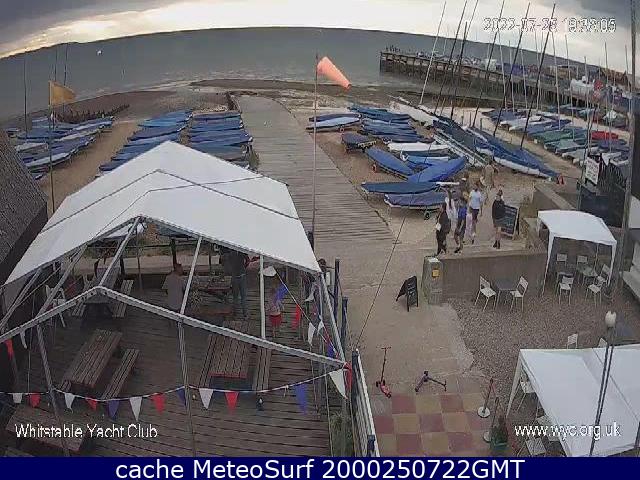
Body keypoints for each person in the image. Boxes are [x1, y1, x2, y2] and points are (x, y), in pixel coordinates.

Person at [225, 249, 249, 319]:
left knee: (235, 297)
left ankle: (235, 313)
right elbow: (248, 261)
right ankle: (245, 314)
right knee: (243, 297)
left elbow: (227, 266)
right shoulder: (242, 252)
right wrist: (244, 267)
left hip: (235, 277)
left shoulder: (231, 254)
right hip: (241, 276)